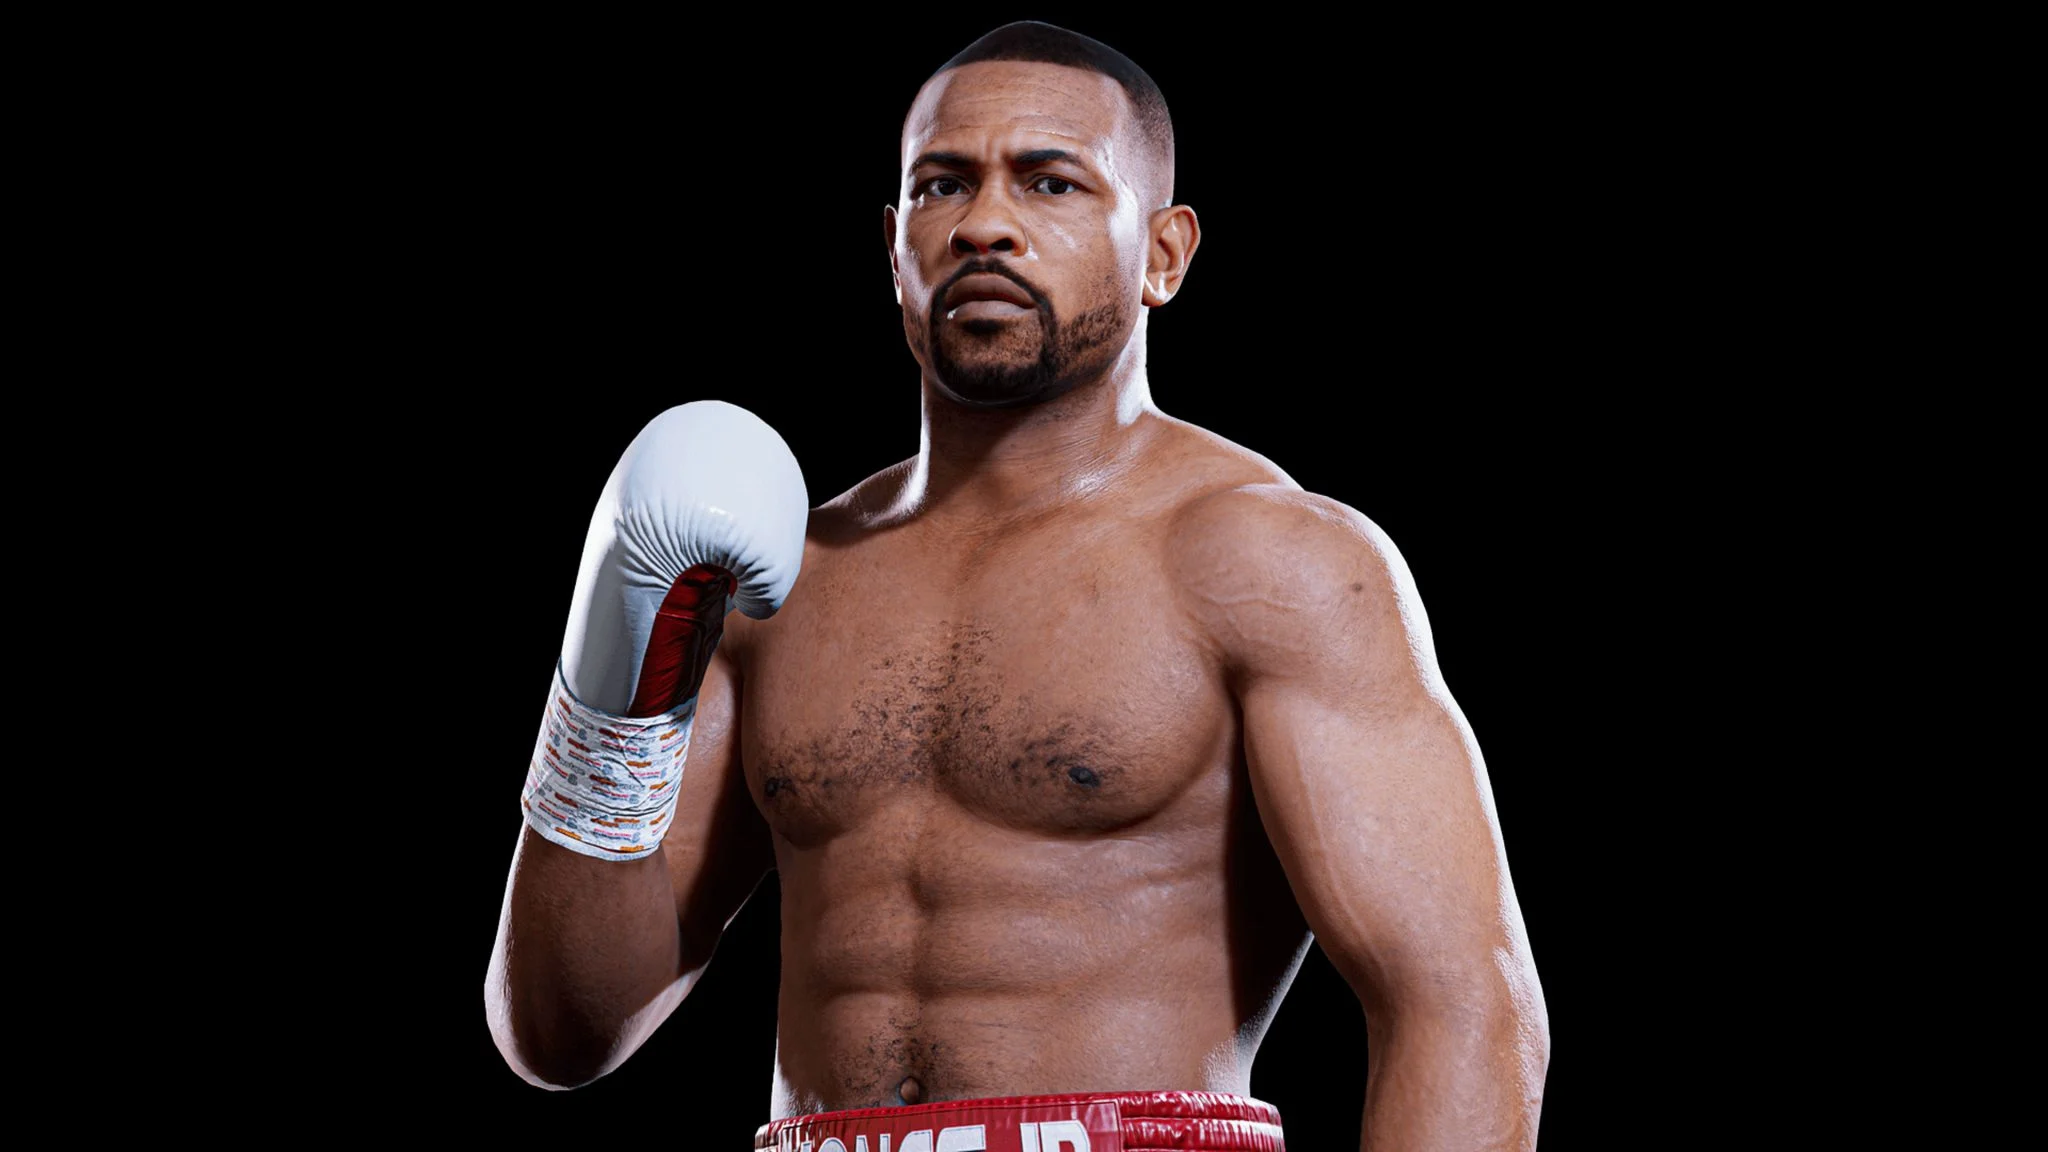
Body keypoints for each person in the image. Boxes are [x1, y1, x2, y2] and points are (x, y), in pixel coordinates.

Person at [484, 20, 1548, 1150]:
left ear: (1164, 254)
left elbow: (1459, 1007)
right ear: (894, 246)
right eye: (942, 184)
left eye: (1050, 182)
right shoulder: (788, 583)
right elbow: (560, 1030)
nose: (983, 224)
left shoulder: (1267, 564)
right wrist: (613, 665)